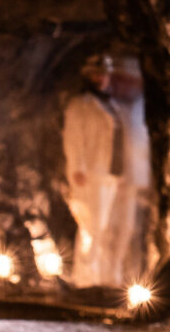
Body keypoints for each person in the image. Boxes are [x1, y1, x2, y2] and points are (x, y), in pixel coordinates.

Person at [61, 55, 147, 287]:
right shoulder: (80, 105)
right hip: (89, 175)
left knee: (106, 228)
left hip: (109, 175)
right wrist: (76, 168)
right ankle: (86, 279)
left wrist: (119, 175)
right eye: (96, 75)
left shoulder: (113, 105)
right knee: (91, 227)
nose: (100, 79)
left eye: (104, 74)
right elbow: (72, 139)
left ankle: (105, 278)